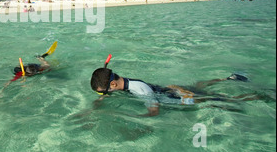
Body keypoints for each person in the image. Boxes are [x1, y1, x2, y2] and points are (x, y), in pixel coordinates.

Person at [91, 67, 254, 117]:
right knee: (199, 85)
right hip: (169, 88)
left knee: (222, 102)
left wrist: (131, 116)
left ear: (112, 83)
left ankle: (257, 96)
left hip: (181, 98)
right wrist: (101, 98)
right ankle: (229, 79)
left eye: (103, 92)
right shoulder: (120, 80)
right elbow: (106, 81)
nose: (104, 94)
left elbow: (154, 111)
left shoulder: (140, 90)